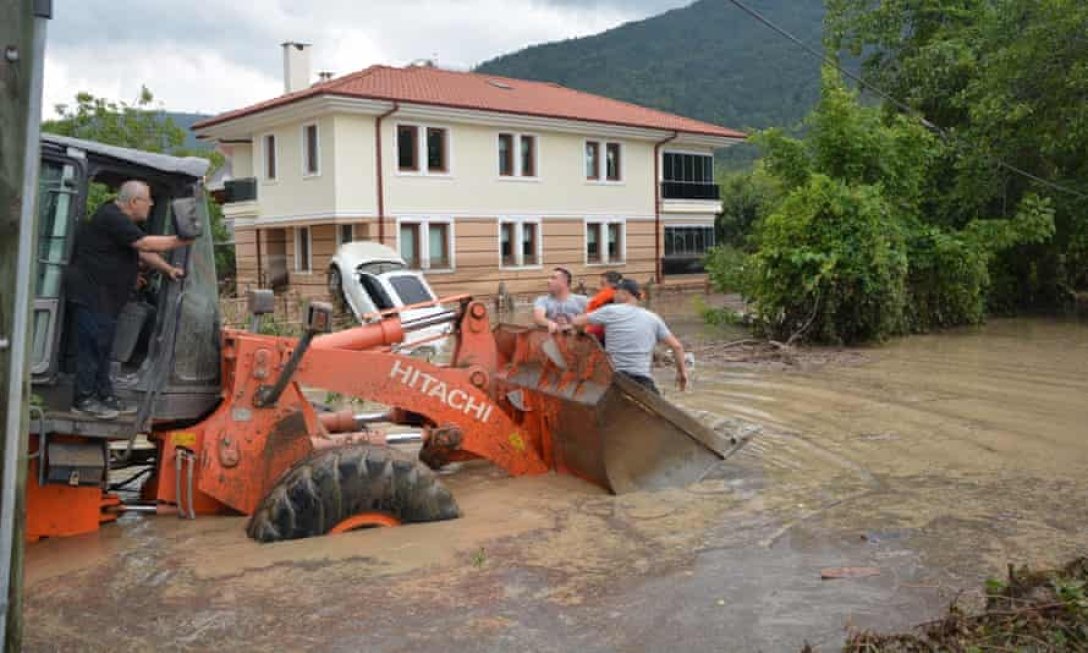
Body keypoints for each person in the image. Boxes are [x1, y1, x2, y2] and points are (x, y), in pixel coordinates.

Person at [65, 180, 192, 419]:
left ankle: (104, 395)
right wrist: (181, 240)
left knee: (103, 350)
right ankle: (82, 400)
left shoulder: (120, 221)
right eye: (149, 200)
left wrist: (167, 270)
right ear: (134, 202)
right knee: (92, 349)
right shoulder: (111, 216)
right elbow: (144, 244)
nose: (151, 204)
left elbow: (141, 251)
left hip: (107, 299)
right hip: (93, 295)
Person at [572, 278, 688, 394]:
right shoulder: (653, 318)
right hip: (642, 380)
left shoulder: (610, 311)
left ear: (625, 294)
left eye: (616, 292)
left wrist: (581, 333)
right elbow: (677, 347)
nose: (614, 296)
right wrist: (682, 373)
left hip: (615, 378)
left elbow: (576, 322)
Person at [532, 267, 588, 334]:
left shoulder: (582, 300)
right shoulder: (542, 300)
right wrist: (549, 323)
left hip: (576, 341)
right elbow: (538, 318)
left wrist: (571, 327)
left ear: (564, 282)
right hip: (551, 341)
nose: (548, 281)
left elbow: (589, 320)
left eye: (553, 278)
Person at [585, 270, 622, 341]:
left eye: (603, 283)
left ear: (613, 283)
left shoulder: (606, 295)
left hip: (599, 334)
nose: (600, 286)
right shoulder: (623, 296)